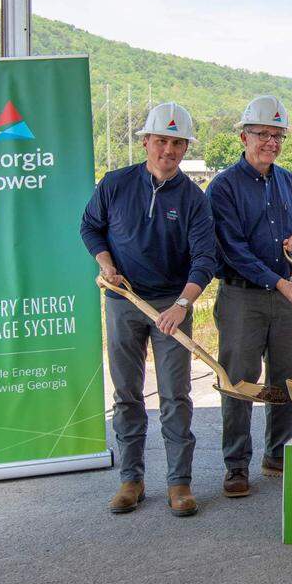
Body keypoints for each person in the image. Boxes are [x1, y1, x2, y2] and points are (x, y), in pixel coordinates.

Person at [80, 102, 216, 517]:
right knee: (127, 394)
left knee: (176, 395)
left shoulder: (194, 199)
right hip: (124, 301)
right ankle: (131, 480)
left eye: (178, 143)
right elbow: (90, 226)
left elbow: (205, 259)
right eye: (162, 141)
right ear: (145, 142)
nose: (169, 150)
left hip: (171, 306)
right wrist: (105, 263)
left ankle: (179, 484)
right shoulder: (115, 184)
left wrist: (181, 305)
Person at [207, 95, 292, 498]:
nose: (271, 141)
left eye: (277, 135)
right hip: (243, 297)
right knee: (239, 381)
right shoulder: (223, 188)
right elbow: (233, 249)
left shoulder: (291, 183)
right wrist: (280, 282)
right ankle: (236, 465)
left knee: (287, 377)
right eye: (262, 134)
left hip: (288, 297)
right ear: (243, 136)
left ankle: (278, 452)